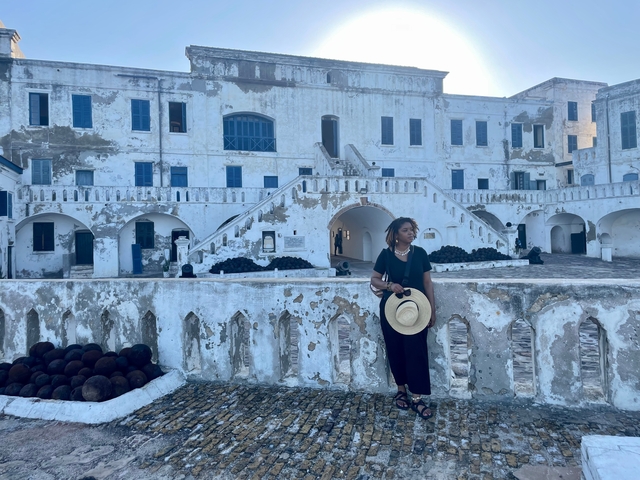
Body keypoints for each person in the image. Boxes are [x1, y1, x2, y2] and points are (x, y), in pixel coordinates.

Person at [370, 217, 436, 420]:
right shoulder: (385, 255)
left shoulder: (421, 254)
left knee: (417, 351)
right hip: (392, 309)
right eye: (406, 230)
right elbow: (374, 279)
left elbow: (427, 283)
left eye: (412, 230)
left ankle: (417, 397)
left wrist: (432, 310)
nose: (411, 233)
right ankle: (401, 390)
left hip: (417, 308)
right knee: (395, 348)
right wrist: (390, 286)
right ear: (396, 234)